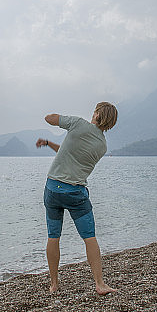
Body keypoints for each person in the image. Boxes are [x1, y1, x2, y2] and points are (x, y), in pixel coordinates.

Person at [36, 102, 118, 295]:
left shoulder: (78, 124)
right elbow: (70, 153)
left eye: (95, 111)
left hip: (53, 189)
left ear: (97, 115)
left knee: (53, 236)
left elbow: (49, 118)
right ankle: (99, 283)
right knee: (89, 237)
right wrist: (49, 144)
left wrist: (64, 120)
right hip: (75, 193)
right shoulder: (102, 146)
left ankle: (54, 284)